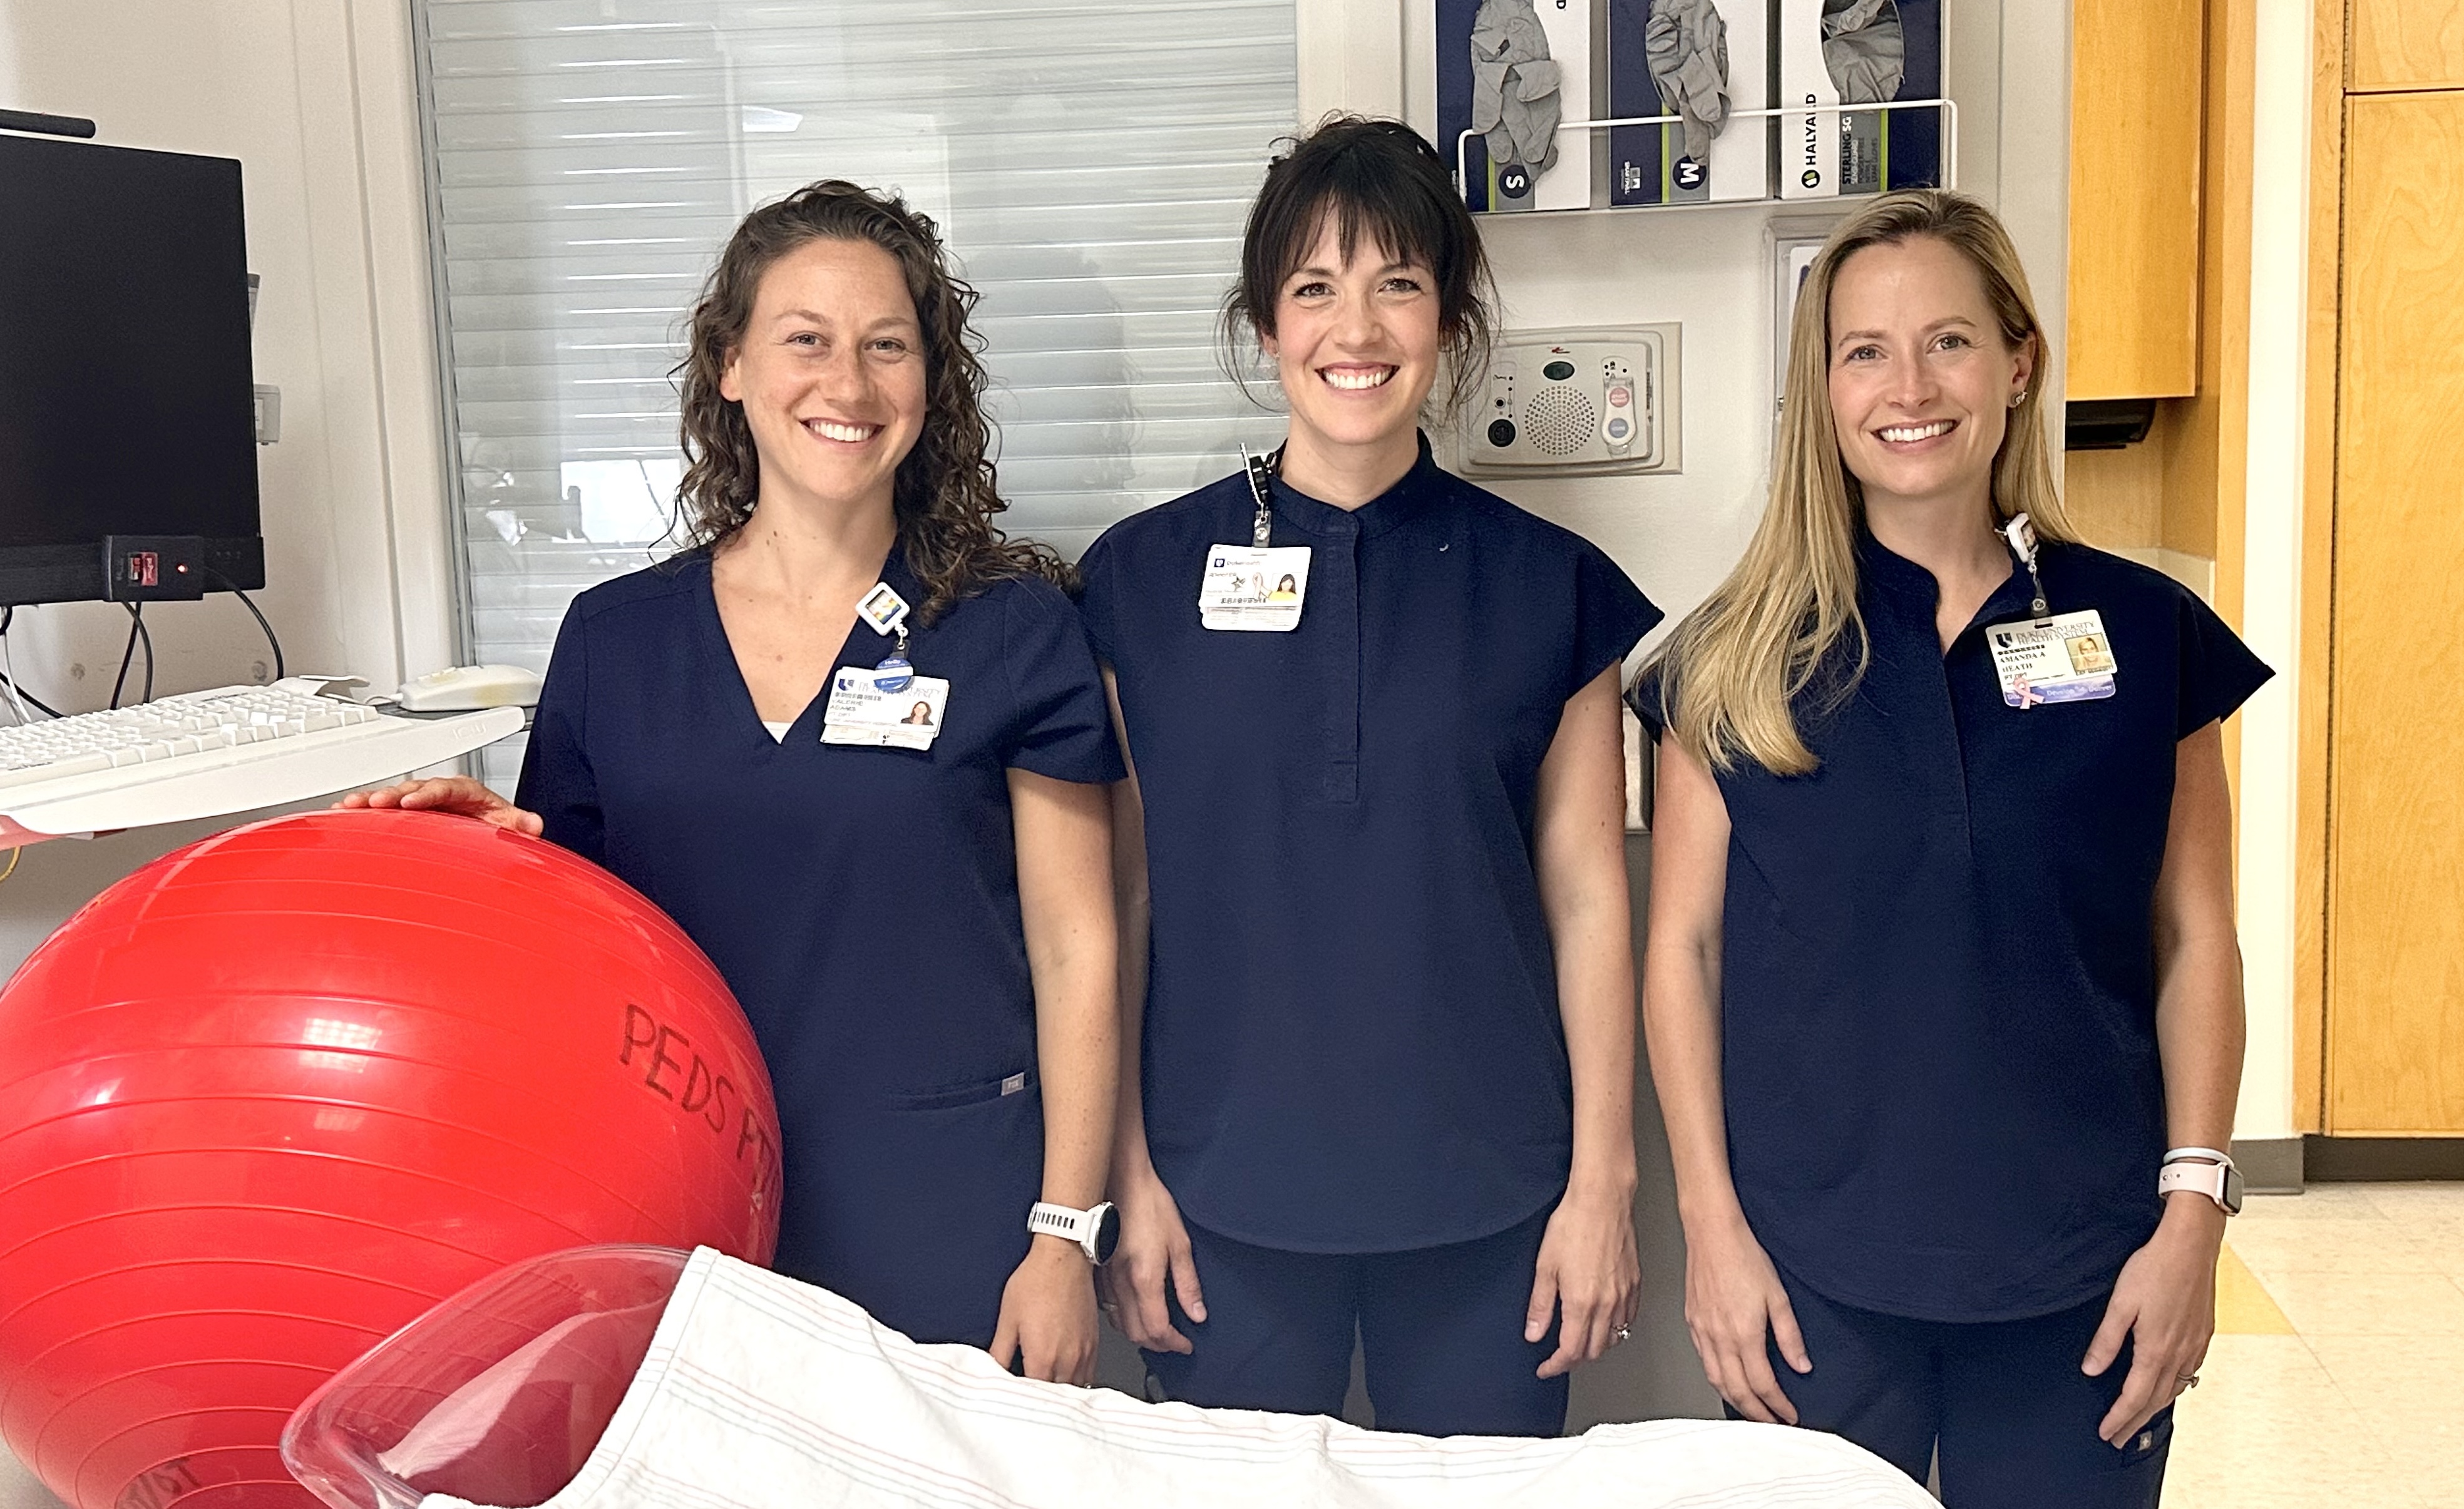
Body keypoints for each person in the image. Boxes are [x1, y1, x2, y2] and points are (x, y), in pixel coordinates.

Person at [342, 182, 1124, 1383]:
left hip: (950, 1204)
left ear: (931, 380)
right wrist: (481, 857)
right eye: (805, 341)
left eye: (886, 346)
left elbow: (1079, 946)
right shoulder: (616, 641)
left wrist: (1065, 1236)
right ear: (731, 368)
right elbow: (579, 927)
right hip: (680, 1203)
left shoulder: (1010, 630)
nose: (848, 387)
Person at [1635, 188, 2266, 1506]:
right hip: (1812, 1282)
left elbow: (2197, 935)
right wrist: (1712, 1233)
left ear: (2019, 363)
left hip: (2085, 1279)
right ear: (1821, 389)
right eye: (1864, 350)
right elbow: (1681, 956)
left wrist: (2194, 1219)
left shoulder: (2150, 638)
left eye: (1951, 342)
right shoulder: (1728, 665)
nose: (1909, 386)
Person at [1077, 116, 1659, 1437]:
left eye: (1398, 283)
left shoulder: (1547, 588)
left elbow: (1587, 902)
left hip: (1493, 1199)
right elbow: (1114, 905)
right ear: (1264, 321)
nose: (1359, 326)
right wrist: (1127, 1175)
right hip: (1217, 1197)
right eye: (1314, 288)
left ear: (1449, 318)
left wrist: (1602, 1182)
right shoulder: (1140, 583)